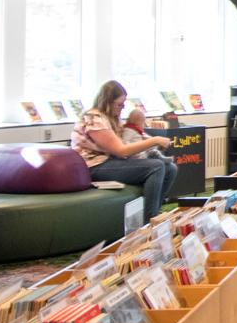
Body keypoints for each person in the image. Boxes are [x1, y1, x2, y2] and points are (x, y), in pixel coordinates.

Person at [70, 81, 178, 221]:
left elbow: (135, 137)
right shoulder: (94, 119)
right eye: (119, 105)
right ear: (107, 102)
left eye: (123, 105)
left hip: (109, 162)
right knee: (155, 166)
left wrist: (154, 141)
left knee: (170, 168)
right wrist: (155, 141)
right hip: (93, 167)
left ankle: (155, 211)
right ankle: (149, 220)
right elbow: (121, 151)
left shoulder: (112, 119)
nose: (122, 108)